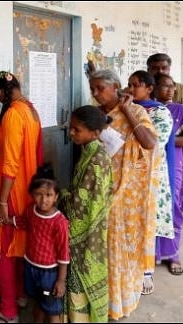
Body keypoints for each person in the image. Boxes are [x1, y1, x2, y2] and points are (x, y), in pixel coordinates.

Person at [88, 69, 157, 321]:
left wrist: (127, 112)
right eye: (92, 89)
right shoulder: (96, 115)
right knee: (103, 249)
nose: (95, 94)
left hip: (126, 194)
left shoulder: (136, 111)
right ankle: (102, 299)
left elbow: (149, 142)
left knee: (122, 248)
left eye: (100, 88)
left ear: (116, 86)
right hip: (100, 190)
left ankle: (120, 301)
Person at [0, 71, 43, 324]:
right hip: (28, 190)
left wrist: (2, 201)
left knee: (2, 249)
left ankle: (8, 313)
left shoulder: (14, 115)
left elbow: (10, 163)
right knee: (18, 247)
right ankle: (19, 296)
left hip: (12, 193)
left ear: (1, 92)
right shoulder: (30, 109)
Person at [61, 105, 113, 322]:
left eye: (77, 129)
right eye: (71, 128)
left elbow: (81, 205)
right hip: (93, 229)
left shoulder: (95, 160)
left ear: (94, 132)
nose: (72, 133)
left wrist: (62, 194)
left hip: (86, 233)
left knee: (79, 278)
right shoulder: (91, 152)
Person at [127, 70, 174, 295]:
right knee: (133, 220)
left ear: (148, 88)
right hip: (130, 174)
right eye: (129, 84)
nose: (131, 89)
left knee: (148, 220)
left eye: (135, 85)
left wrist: (129, 112)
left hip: (151, 175)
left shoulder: (160, 112)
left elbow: (153, 144)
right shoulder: (129, 108)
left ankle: (147, 272)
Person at [153, 73, 183, 276]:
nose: (171, 90)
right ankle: (152, 252)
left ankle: (173, 254)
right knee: (153, 207)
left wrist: (164, 140)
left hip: (173, 164)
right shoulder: (146, 109)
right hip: (152, 164)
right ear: (153, 88)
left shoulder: (180, 111)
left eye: (172, 86)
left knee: (174, 207)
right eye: (165, 86)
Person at [13, 173, 68, 323]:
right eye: (39, 194)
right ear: (32, 194)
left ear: (56, 196)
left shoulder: (60, 222)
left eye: (49, 195)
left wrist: (61, 281)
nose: (44, 200)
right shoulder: (31, 210)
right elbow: (23, 222)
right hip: (31, 268)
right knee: (37, 301)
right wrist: (6, 220)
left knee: (51, 308)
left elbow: (64, 254)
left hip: (48, 275)